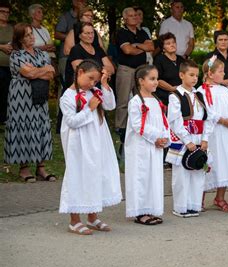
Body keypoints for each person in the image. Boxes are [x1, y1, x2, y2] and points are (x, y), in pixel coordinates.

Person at [59, 59, 121, 235]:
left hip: (97, 140)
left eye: (95, 80)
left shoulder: (94, 90)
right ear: (79, 73)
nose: (92, 83)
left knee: (95, 174)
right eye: (90, 78)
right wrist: (89, 108)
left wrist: (104, 85)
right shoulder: (68, 97)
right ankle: (74, 220)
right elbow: (71, 121)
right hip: (79, 143)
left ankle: (93, 216)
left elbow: (110, 105)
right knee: (78, 175)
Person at [4, 23, 55, 182]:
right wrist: (42, 70)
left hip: (39, 95)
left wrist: (37, 72)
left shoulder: (42, 53)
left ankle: (41, 168)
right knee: (23, 126)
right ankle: (24, 168)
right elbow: (29, 73)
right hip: (21, 97)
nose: (31, 37)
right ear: (19, 39)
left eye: (31, 34)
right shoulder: (16, 55)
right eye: (27, 35)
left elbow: (51, 74)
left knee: (41, 125)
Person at [198, 57, 228, 212]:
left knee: (226, 161)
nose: (224, 73)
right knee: (211, 162)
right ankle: (199, 197)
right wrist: (222, 120)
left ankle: (220, 197)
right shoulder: (202, 91)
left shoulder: (225, 90)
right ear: (210, 74)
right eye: (221, 71)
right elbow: (206, 110)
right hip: (214, 133)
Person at [125, 64, 169, 225]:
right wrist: (156, 137)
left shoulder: (156, 100)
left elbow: (164, 121)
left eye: (157, 79)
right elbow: (138, 124)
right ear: (141, 81)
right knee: (141, 177)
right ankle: (140, 212)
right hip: (141, 147)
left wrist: (164, 137)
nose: (156, 82)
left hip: (155, 146)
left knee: (153, 177)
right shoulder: (136, 101)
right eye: (152, 79)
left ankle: (151, 208)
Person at [166, 60, 211, 218]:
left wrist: (205, 138)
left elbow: (207, 118)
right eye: (191, 75)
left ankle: (194, 205)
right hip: (184, 139)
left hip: (199, 138)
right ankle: (181, 207)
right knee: (182, 175)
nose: (194, 78)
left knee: (197, 172)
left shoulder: (199, 95)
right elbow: (175, 121)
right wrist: (187, 141)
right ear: (181, 75)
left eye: (196, 76)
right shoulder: (175, 96)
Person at [115, 7, 154, 157]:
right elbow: (127, 51)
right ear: (125, 19)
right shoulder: (122, 32)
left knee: (142, 98)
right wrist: (140, 48)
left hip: (141, 70)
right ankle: (121, 128)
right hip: (126, 70)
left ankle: (140, 124)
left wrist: (136, 46)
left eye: (136, 16)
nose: (135, 18)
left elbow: (150, 47)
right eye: (131, 16)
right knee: (124, 99)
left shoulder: (142, 32)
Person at [64, 22, 114, 90]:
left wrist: (98, 71)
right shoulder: (76, 50)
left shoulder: (98, 49)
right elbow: (83, 72)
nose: (90, 36)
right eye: (87, 33)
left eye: (92, 33)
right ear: (79, 35)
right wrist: (104, 71)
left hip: (99, 88)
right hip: (80, 90)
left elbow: (111, 69)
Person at [55, 0, 84, 84]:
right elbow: (57, 34)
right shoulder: (66, 16)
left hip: (82, 56)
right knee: (66, 85)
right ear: (73, 2)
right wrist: (73, 38)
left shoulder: (86, 18)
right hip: (66, 57)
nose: (79, 2)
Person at [153, 32, 184, 105]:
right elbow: (158, 80)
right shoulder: (159, 60)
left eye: (173, 42)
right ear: (163, 48)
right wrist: (172, 89)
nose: (172, 45)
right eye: (168, 43)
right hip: (165, 97)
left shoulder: (181, 59)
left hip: (181, 95)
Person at [0, 2, 12, 124]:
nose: (5, 14)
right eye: (2, 11)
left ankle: (3, 119)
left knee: (6, 93)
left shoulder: (11, 28)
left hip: (10, 66)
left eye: (7, 12)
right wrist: (2, 46)